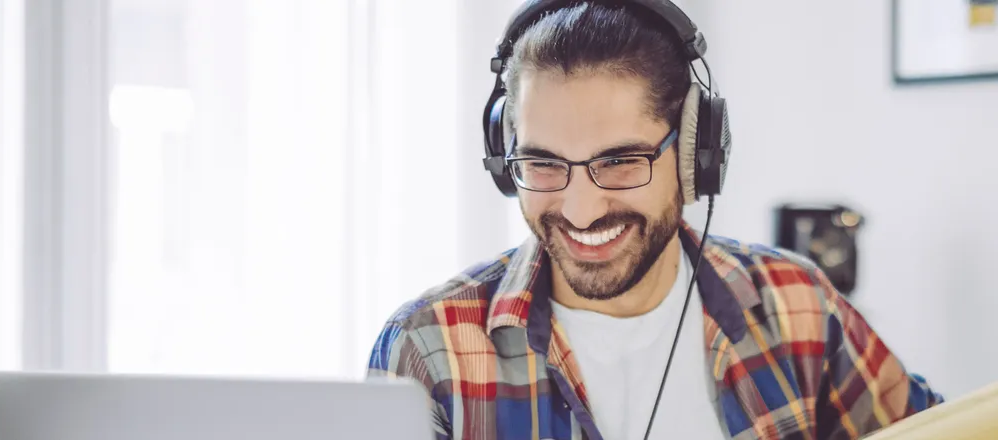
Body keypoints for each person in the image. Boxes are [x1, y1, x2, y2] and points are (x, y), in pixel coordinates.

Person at [364, 1, 944, 439]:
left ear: (696, 158)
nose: (580, 209)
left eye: (620, 161)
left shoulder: (798, 305)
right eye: (541, 163)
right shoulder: (427, 347)